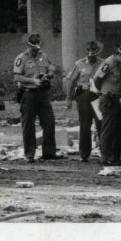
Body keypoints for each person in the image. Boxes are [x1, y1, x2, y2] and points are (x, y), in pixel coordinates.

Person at [12, 33, 59, 162]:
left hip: (43, 94)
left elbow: (52, 68)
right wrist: (32, 81)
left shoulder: (44, 56)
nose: (36, 50)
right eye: (34, 48)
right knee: (28, 125)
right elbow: (17, 76)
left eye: (37, 47)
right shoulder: (21, 58)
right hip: (28, 93)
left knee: (49, 122)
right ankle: (29, 154)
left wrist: (48, 75)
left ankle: (49, 152)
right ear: (28, 46)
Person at [90, 46, 121, 165]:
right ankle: (105, 157)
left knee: (118, 129)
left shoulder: (119, 65)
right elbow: (97, 80)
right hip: (108, 98)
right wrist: (105, 92)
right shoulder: (109, 63)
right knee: (108, 128)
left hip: (116, 99)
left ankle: (115, 157)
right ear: (119, 55)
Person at [65, 40, 104, 162]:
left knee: (101, 124)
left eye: (94, 52)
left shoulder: (103, 64)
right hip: (84, 96)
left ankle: (105, 153)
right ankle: (84, 154)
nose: (91, 55)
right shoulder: (79, 64)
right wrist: (69, 99)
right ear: (86, 52)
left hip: (98, 96)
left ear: (98, 52)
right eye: (89, 52)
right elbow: (71, 81)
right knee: (85, 125)